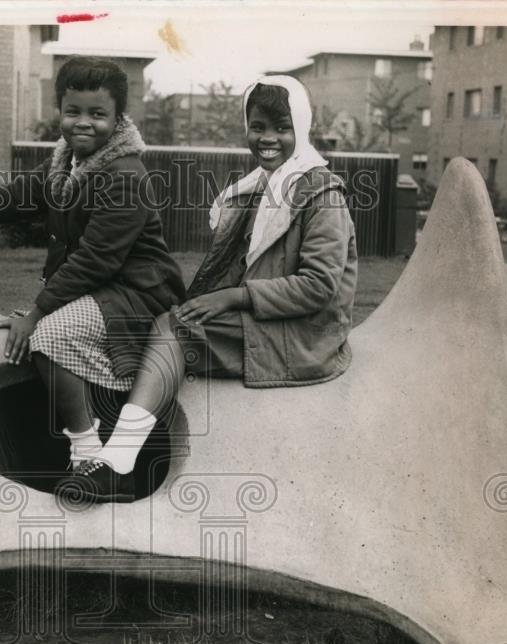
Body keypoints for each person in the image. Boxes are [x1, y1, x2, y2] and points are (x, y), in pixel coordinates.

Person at [61, 74, 358, 503]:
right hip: (266, 316)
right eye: (257, 127)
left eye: (282, 128)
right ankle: (122, 452)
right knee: (160, 320)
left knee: (175, 331)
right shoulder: (261, 187)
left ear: (303, 127)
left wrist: (234, 297)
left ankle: (119, 464)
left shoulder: (321, 195)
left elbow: (319, 288)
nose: (268, 139)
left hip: (303, 332)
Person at [0, 57, 185, 472]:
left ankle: (87, 448)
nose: (83, 123)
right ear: (59, 111)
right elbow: (18, 194)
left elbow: (96, 259)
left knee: (49, 335)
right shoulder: (66, 161)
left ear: (118, 120)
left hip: (136, 291)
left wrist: (39, 311)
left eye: (98, 114)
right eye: (73, 111)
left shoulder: (124, 174)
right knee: (40, 334)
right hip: (98, 287)